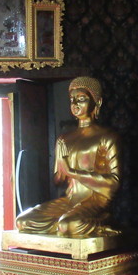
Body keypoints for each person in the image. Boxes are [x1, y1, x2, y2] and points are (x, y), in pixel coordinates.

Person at [16, 76, 121, 238]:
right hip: (70, 199)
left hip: (95, 200)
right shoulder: (64, 139)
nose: (75, 104)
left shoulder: (107, 137)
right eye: (72, 100)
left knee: (68, 225)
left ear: (97, 102)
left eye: (81, 99)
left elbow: (114, 183)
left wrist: (73, 172)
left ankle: (101, 222)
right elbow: (59, 181)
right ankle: (67, 225)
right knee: (23, 222)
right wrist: (61, 167)